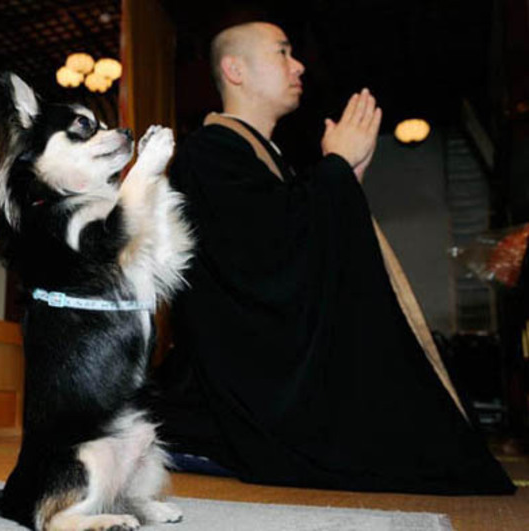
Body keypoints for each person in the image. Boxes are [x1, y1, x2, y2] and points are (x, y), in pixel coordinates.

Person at [153, 21, 516, 495]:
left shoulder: (263, 156)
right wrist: (334, 174)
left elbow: (295, 237)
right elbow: (264, 263)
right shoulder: (208, 151)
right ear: (234, 70)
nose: (298, 64)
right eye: (282, 52)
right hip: (235, 380)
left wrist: (343, 183)